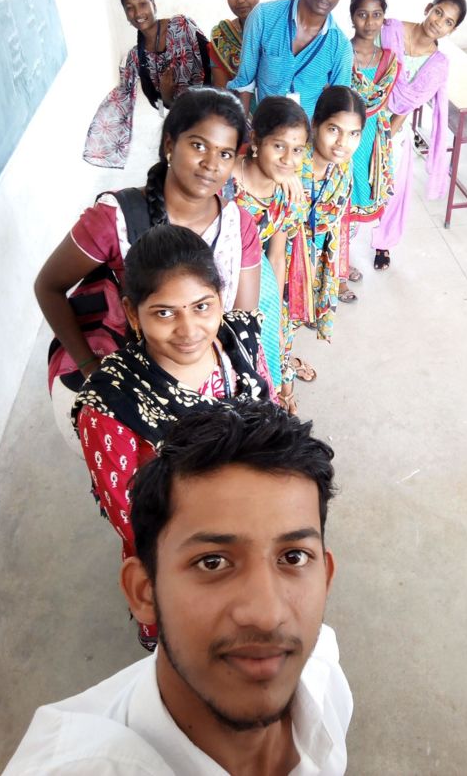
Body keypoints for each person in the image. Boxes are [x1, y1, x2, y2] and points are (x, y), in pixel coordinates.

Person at [4, 401, 353, 776]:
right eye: (212, 562)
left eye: (294, 557)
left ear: (326, 577)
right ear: (144, 591)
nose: (268, 616)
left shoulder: (324, 677)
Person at [72, 225, 275, 647]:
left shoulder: (239, 341)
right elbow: (131, 517)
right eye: (164, 313)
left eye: (202, 306)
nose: (189, 330)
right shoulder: (110, 403)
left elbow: (270, 421)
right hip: (174, 555)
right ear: (133, 314)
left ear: (220, 297)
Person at [36, 89, 261, 452]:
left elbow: (241, 322)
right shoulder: (116, 218)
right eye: (198, 145)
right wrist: (91, 367)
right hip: (127, 384)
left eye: (224, 154)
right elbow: (48, 286)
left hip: (199, 383)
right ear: (170, 144)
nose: (210, 164)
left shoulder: (239, 227)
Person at [371, 0, 467, 270]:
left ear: (452, 30)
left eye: (448, 22)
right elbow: (363, 64)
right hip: (363, 114)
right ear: (428, 8)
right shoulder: (391, 31)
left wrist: (385, 139)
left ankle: (384, 242)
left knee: (392, 186)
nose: (439, 22)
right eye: (438, 12)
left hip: (394, 128)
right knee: (353, 181)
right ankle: (341, 240)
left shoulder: (437, 65)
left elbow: (406, 107)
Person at [227, 96, 311, 403]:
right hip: (219, 285)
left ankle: (275, 394)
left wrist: (272, 318)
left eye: (297, 150)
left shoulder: (287, 194)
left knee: (272, 340)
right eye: (278, 146)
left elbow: (276, 257)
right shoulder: (226, 184)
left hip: (259, 285)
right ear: (255, 140)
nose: (288, 159)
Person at [281, 86, 364, 386]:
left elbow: (333, 223)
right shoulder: (288, 163)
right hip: (277, 259)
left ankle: (282, 362)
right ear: (315, 124)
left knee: (290, 321)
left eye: (353, 134)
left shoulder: (343, 168)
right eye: (333, 129)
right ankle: (280, 381)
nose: (343, 143)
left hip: (311, 257)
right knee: (276, 320)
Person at [84, 0, 211, 169]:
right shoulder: (137, 58)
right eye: (130, 8)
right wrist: (166, 94)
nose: (137, 13)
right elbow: (159, 105)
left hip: (210, 109)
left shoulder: (181, 25)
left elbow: (210, 61)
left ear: (154, 4)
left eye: (142, 3)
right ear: (126, 15)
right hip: (184, 121)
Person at [227, 0, 355, 120]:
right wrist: (241, 135)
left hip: (308, 137)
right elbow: (244, 86)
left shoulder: (340, 47)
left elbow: (338, 111)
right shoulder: (263, 17)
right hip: (265, 134)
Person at [339, 0, 399, 301]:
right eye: (363, 14)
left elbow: (389, 106)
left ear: (384, 17)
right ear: (352, 16)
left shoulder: (388, 60)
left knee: (355, 206)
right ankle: (336, 275)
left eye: (376, 15)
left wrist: (386, 140)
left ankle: (340, 263)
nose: (370, 22)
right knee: (337, 205)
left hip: (371, 144)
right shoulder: (341, 53)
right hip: (343, 141)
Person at [209, 0, 262, 92]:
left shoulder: (279, 29)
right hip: (237, 104)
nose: (240, 0)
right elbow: (222, 94)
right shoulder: (221, 37)